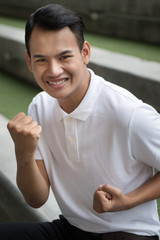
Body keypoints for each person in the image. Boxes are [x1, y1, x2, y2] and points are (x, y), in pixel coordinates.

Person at [1, 3, 160, 240]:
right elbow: (36, 199)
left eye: (64, 56)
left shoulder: (130, 113)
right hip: (70, 229)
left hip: (130, 234)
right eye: (41, 60)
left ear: (85, 53)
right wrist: (24, 154)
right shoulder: (40, 105)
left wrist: (127, 201)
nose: (53, 71)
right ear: (29, 61)